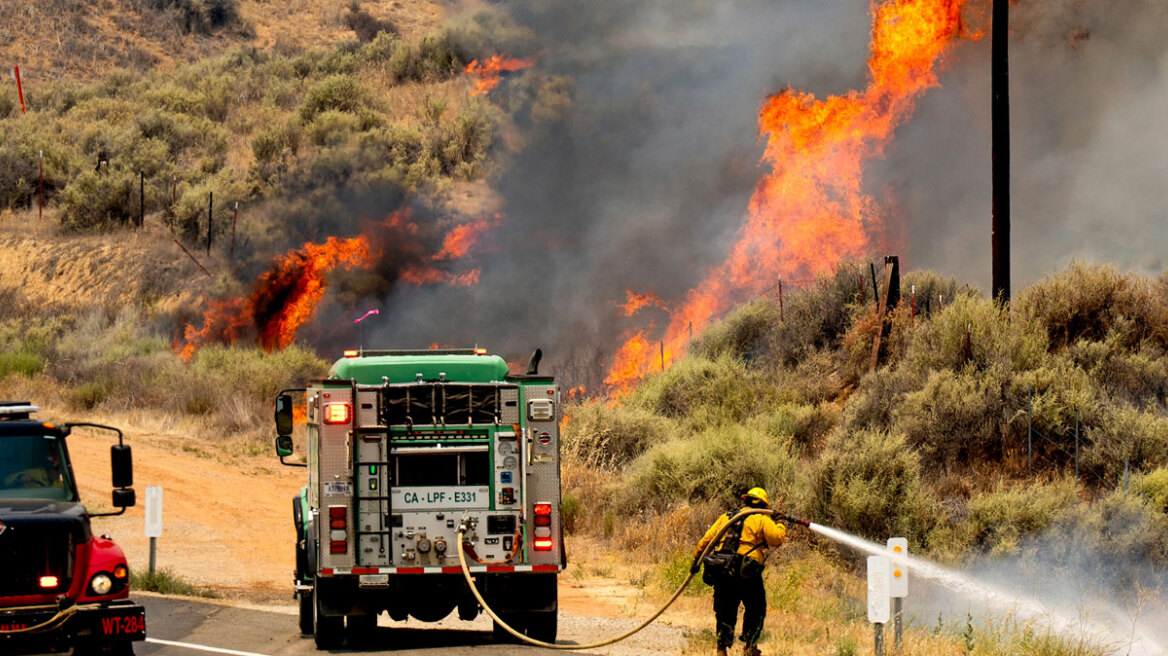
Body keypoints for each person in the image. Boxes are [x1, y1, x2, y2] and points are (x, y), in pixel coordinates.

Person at [691, 486, 787, 656]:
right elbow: (776, 539)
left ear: (745, 501)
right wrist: (780, 522)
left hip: (724, 569)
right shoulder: (761, 519)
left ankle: (722, 649)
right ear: (764, 505)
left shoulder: (727, 518)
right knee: (756, 608)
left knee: (724, 610)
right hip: (747, 572)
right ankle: (750, 647)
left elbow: (707, 540)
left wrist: (696, 560)